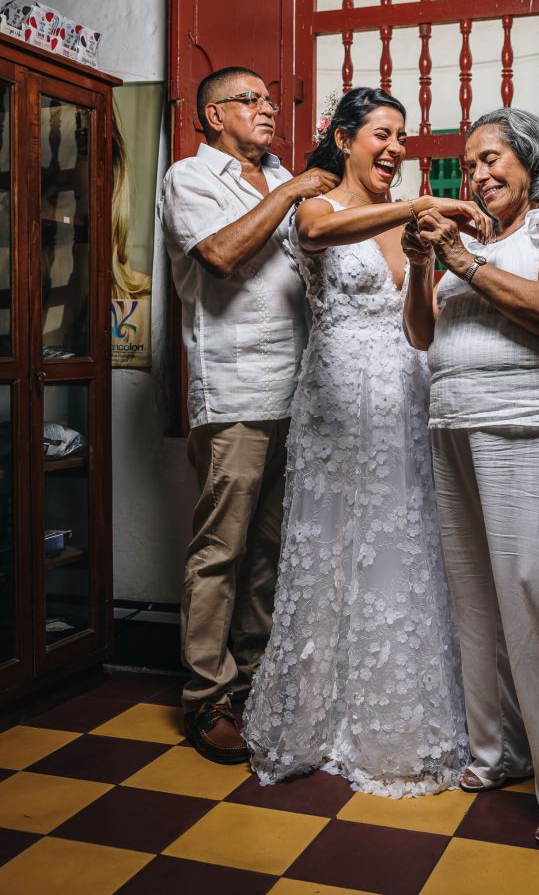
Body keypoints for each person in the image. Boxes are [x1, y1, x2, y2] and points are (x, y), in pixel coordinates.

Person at [242, 86, 492, 796]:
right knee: (330, 548)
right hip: (336, 400)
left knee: (401, 544)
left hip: (405, 398)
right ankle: (316, 719)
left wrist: (420, 260)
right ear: (345, 138)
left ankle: (395, 718)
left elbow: (420, 330)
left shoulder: (402, 224)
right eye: (382, 133)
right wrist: (417, 206)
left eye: (402, 137)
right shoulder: (318, 204)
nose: (396, 149)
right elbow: (317, 238)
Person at [402, 106, 539, 846]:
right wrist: (428, 261)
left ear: (531, 157)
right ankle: (500, 750)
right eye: (469, 165)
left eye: (493, 157)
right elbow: (424, 332)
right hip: (455, 424)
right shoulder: (482, 242)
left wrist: (463, 260)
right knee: (478, 603)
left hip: (534, 421)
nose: (478, 174)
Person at [158, 66, 339, 763]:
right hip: (233, 392)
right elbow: (223, 254)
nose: (269, 110)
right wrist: (293, 190)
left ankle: (255, 673)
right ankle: (206, 697)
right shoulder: (191, 179)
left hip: (294, 393)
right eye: (252, 100)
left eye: (270, 100)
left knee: (267, 550)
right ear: (212, 115)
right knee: (221, 548)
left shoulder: (282, 176)